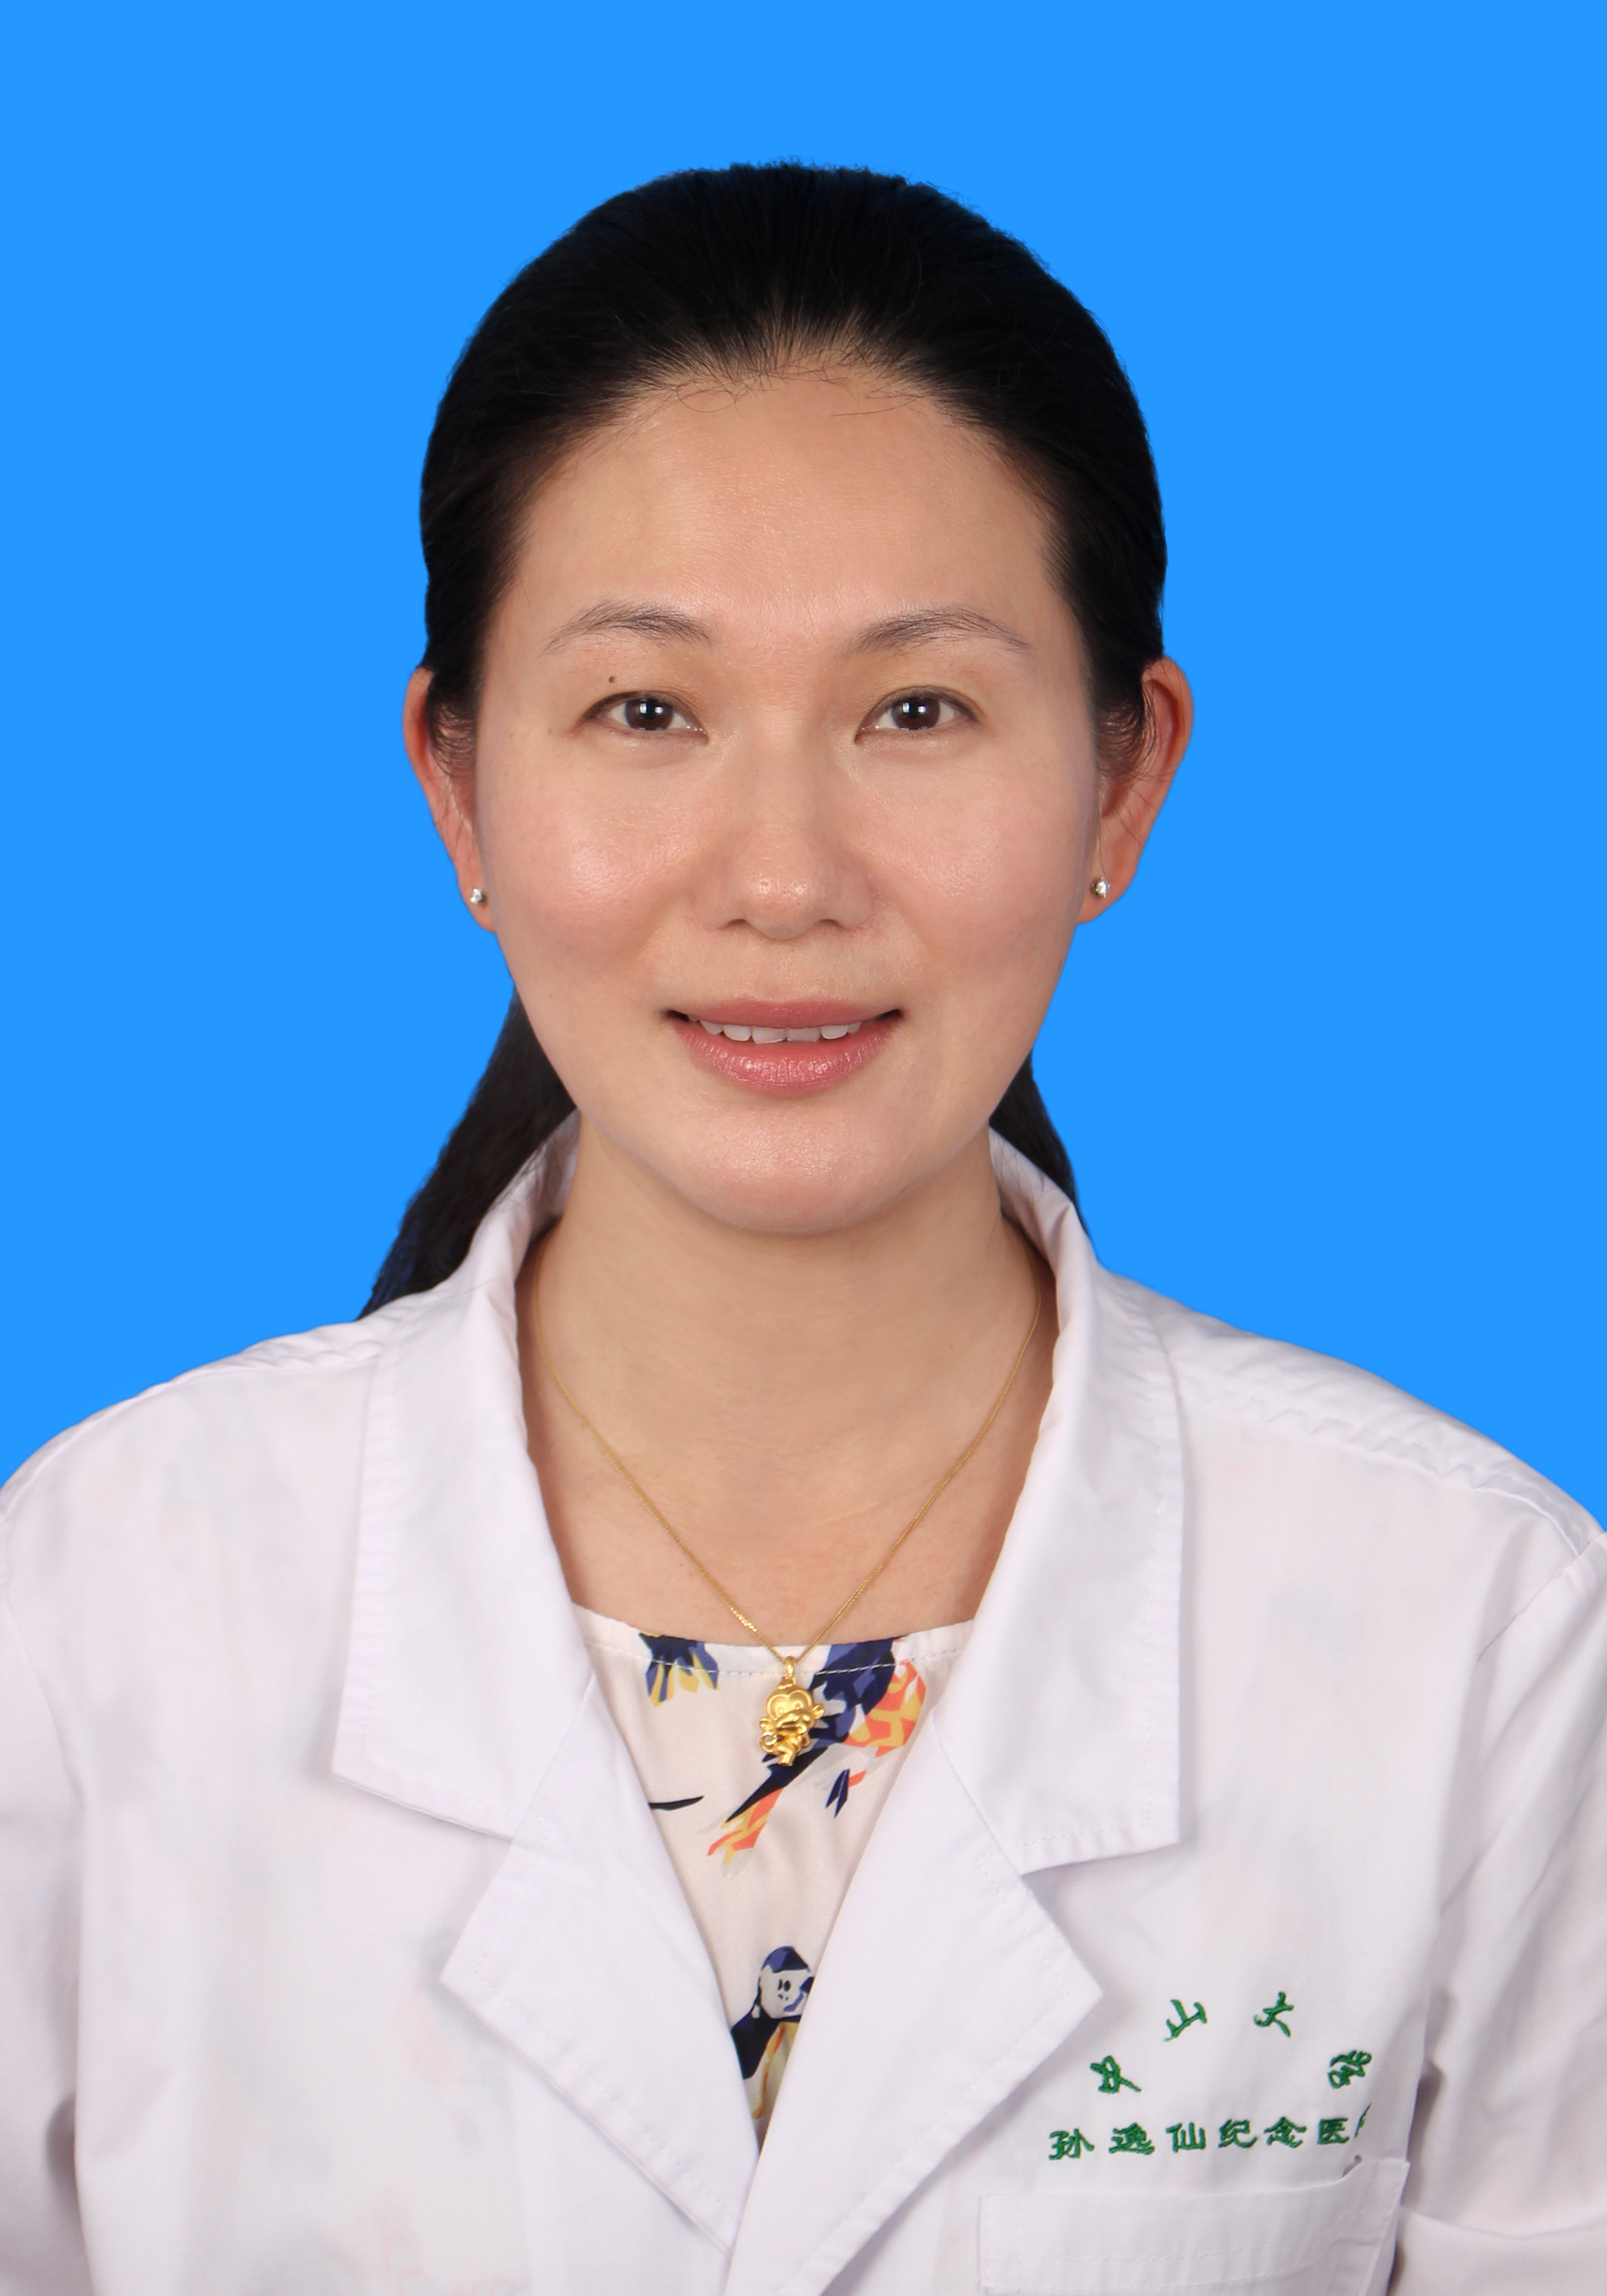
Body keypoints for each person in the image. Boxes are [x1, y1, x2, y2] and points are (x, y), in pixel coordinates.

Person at [1, 162, 1602, 2296]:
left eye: (915, 711)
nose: (780, 877)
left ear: (1123, 780)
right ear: (457, 783)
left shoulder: (1476, 1633)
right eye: (644, 711)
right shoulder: (94, 1606)